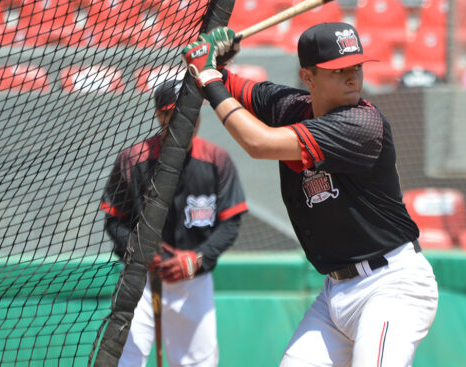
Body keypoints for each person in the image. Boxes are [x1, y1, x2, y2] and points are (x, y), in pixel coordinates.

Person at [180, 22, 438, 366]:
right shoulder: (291, 106)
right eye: (338, 70)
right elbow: (230, 84)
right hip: (336, 291)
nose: (351, 78)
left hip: (391, 286)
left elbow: (259, 143)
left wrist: (209, 77)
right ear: (308, 77)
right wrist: (216, 64)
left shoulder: (361, 124)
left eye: (356, 67)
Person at [100, 79, 248, 367]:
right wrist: (140, 255)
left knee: (198, 364)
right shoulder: (133, 160)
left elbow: (230, 224)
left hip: (193, 280)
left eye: (190, 111)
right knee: (125, 361)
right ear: (159, 115)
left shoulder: (217, 159)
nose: (184, 119)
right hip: (140, 280)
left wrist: (197, 259)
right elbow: (114, 222)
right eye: (173, 113)